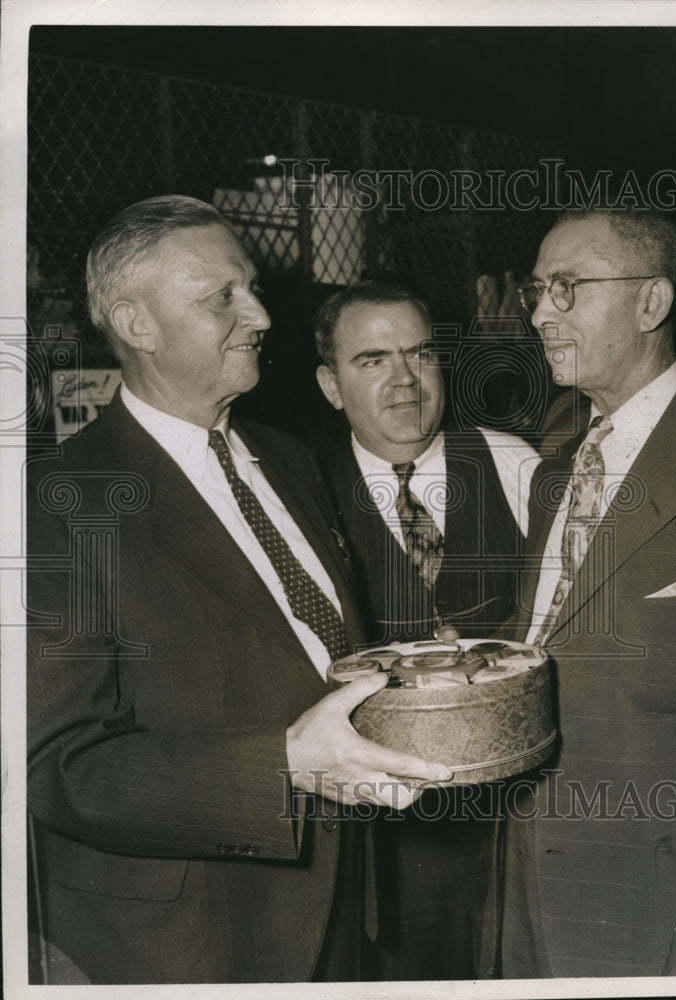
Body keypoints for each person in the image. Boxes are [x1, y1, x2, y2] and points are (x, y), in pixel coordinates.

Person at [25, 196, 452, 986]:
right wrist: (283, 764)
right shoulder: (56, 503)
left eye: (250, 287)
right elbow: (58, 766)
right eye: (221, 296)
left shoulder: (287, 457)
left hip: (342, 909)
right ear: (137, 324)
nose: (259, 314)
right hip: (191, 941)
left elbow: (310, 652)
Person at [500, 209, 676, 978]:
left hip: (660, 905)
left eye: (567, 287)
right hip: (528, 890)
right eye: (537, 290)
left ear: (651, 303)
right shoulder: (559, 465)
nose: (540, 313)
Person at [313, 279, 540, 980]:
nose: (406, 380)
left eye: (421, 354)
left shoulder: (513, 463)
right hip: (390, 840)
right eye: (373, 360)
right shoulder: (304, 490)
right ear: (331, 385)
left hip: (521, 816)